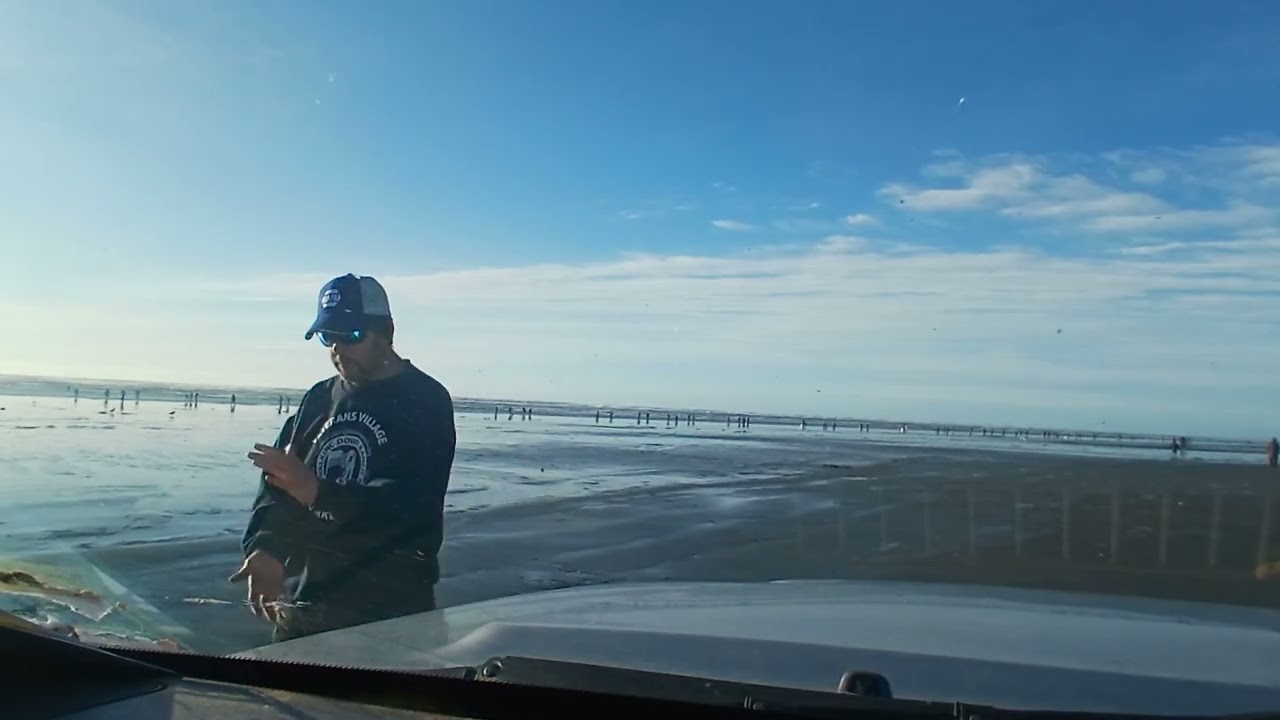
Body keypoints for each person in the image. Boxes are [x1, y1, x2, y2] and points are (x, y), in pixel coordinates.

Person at [232, 273, 456, 642]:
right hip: (305, 602)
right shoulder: (319, 399)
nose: (337, 349)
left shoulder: (424, 400)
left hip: (390, 611)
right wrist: (265, 548)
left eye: (351, 336)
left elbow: (412, 508)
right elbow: (278, 482)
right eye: (327, 337)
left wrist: (317, 492)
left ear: (386, 332)